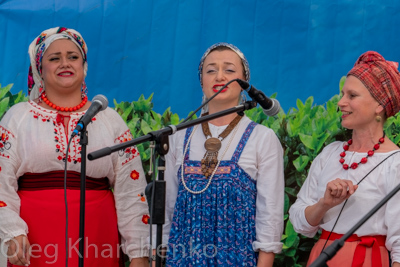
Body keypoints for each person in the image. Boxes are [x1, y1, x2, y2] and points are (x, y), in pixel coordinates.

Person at [0, 27, 149, 266]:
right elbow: (1, 184)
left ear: (83, 65)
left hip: (97, 235)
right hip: (33, 237)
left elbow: (131, 191)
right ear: (40, 68)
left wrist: (139, 253)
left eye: (72, 56)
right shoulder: (18, 117)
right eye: (54, 58)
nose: (64, 63)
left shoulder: (109, 119)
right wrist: (12, 231)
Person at [160, 43, 284, 266]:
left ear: (244, 82)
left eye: (229, 70)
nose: (219, 76)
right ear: (201, 81)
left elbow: (270, 214)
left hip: (236, 258)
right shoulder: (179, 137)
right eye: (210, 70)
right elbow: (167, 208)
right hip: (182, 258)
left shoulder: (262, 138)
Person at [289, 51, 400, 266]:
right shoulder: (330, 153)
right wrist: (324, 204)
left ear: (379, 105)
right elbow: (299, 222)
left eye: (352, 95)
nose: (341, 103)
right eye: (342, 94)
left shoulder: (395, 163)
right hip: (321, 258)